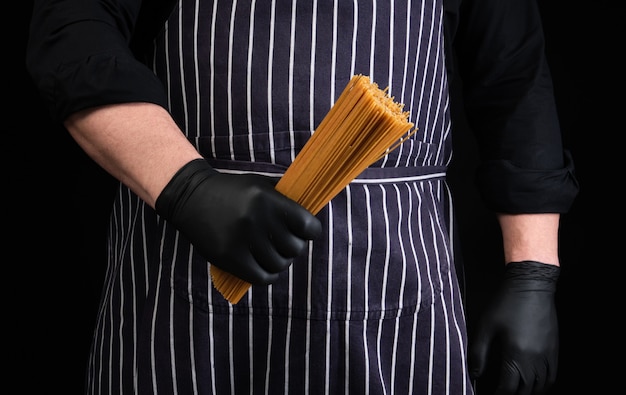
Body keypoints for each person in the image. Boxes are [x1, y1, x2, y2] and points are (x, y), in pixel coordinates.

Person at [26, 0, 578, 394]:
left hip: (390, 279)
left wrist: (532, 271)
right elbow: (73, 32)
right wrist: (186, 187)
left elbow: (516, 84)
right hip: (186, 261)